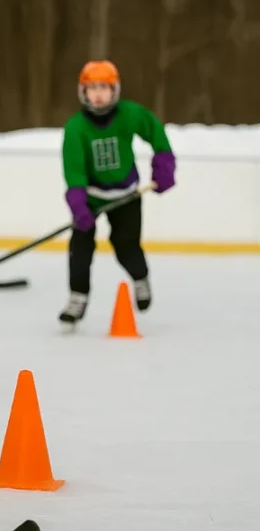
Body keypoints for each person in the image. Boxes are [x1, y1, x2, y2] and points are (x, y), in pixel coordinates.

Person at [59, 60, 176, 330]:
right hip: (91, 197)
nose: (98, 94)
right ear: (82, 91)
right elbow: (73, 170)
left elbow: (157, 134)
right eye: (92, 88)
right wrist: (78, 205)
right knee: (80, 250)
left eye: (104, 88)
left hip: (126, 195)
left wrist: (164, 165)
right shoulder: (75, 128)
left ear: (115, 90)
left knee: (126, 247)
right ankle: (77, 298)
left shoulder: (130, 114)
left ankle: (140, 278)